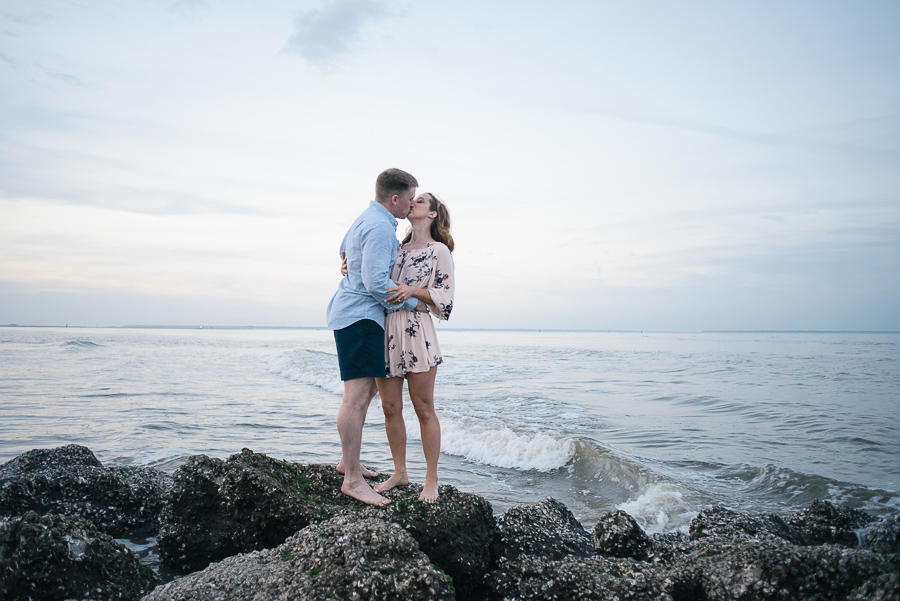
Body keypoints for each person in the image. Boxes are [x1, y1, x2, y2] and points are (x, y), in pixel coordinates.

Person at [326, 168, 427, 506]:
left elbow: (343, 253)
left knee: (364, 393)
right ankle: (353, 480)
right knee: (355, 397)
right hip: (361, 317)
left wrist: (348, 267)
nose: (412, 205)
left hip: (350, 314)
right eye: (410, 199)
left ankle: (347, 463)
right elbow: (373, 281)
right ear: (394, 199)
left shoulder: (364, 218)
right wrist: (414, 303)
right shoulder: (382, 228)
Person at [375, 192, 455, 503]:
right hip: (386, 330)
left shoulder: (440, 251)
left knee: (423, 409)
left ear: (432, 214)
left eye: (420, 201)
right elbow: (372, 277)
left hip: (417, 330)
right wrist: (347, 268)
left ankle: (431, 479)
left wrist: (413, 290)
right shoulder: (394, 247)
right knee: (390, 408)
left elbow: (446, 300)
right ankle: (399, 472)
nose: (413, 203)